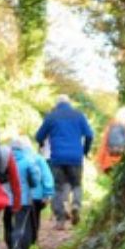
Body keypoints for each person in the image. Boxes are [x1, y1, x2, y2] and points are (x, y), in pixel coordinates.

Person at [35, 94, 95, 229]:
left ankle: (60, 219)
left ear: (57, 104)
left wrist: (41, 143)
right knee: (76, 184)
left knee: (57, 188)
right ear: (69, 103)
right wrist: (85, 150)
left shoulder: (52, 116)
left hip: (57, 158)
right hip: (75, 158)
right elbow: (90, 135)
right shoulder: (79, 115)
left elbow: (38, 136)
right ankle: (76, 205)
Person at [6, 136, 42, 249]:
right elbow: (35, 180)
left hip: (5, 200)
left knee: (8, 225)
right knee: (22, 227)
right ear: (22, 148)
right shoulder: (28, 160)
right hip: (22, 199)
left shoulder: (5, 160)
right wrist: (30, 185)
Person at [28, 145, 55, 247]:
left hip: (19, 197)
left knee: (21, 221)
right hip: (36, 196)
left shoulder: (12, 158)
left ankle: (21, 246)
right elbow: (46, 176)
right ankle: (32, 243)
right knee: (35, 220)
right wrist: (48, 194)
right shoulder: (38, 158)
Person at [96, 107, 125, 174]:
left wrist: (98, 161)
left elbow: (103, 144)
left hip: (106, 158)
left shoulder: (112, 124)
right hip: (116, 161)